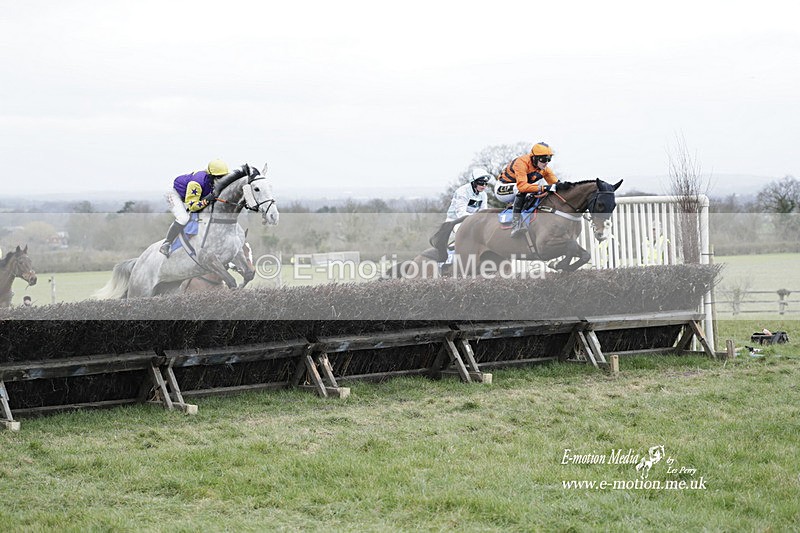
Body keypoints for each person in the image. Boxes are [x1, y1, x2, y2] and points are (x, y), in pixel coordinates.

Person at [160, 159, 248, 257]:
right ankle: (167, 243)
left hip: (192, 197)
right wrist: (207, 200)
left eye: (224, 176)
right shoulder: (196, 183)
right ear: (211, 175)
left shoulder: (213, 181)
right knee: (183, 218)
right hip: (176, 195)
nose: (222, 179)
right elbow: (192, 207)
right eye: (219, 177)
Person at [494, 142, 559, 237]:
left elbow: (557, 184)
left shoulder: (545, 169)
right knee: (525, 189)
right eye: (544, 159)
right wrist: (544, 188)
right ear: (534, 158)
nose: (546, 162)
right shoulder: (521, 163)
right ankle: (516, 224)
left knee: (540, 189)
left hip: (519, 187)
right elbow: (522, 187)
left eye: (549, 159)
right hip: (502, 189)